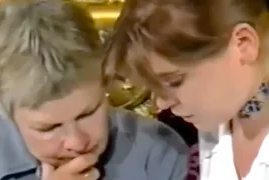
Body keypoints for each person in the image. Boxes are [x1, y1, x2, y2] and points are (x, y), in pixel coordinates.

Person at [0, 0, 189, 180]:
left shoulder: (158, 151)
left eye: (88, 113)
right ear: (5, 109)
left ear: (105, 81)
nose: (76, 142)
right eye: (49, 128)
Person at [104, 0, 269, 179]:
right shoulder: (209, 124)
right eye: (153, 87)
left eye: (174, 82)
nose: (162, 103)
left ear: (243, 44)